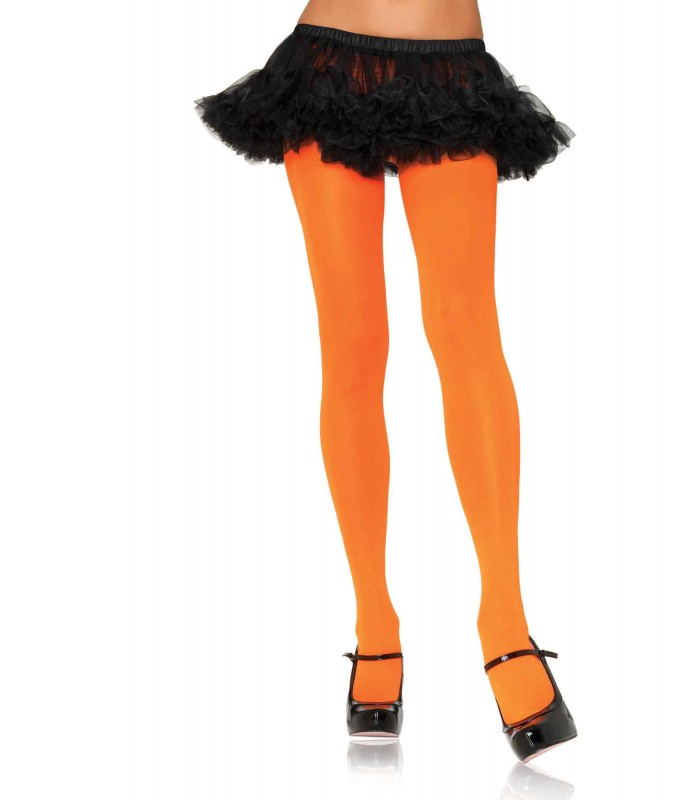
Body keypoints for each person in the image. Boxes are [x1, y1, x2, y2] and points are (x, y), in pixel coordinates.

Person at [194, 0, 577, 762]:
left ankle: (505, 622)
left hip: (451, 66)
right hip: (328, 63)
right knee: (353, 342)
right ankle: (375, 624)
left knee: (467, 332)